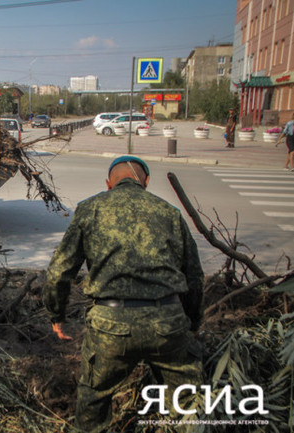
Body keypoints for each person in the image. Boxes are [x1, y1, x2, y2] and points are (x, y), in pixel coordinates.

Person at [43, 156, 204, 432]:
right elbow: (194, 276)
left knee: (94, 400)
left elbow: (59, 271)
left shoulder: (90, 209)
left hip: (110, 325)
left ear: (109, 184)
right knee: (187, 405)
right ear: (147, 182)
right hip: (167, 322)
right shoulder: (169, 212)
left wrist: (56, 314)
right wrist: (192, 322)